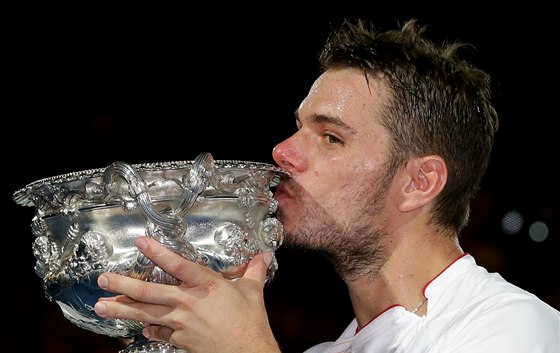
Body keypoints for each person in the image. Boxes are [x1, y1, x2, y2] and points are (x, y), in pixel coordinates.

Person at [93, 18, 560, 352]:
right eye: (297, 127)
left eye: (331, 137)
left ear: (419, 182)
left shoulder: (513, 326)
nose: (282, 150)